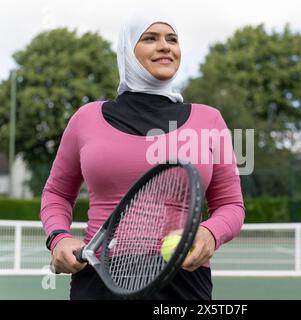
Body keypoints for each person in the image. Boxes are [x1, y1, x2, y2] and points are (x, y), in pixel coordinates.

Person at [40, 11, 245, 300]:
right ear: (127, 50)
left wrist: (210, 234)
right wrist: (58, 238)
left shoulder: (209, 120)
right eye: (150, 38)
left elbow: (231, 205)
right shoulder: (85, 119)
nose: (165, 46)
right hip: (99, 279)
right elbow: (56, 194)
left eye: (172, 39)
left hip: (183, 283)